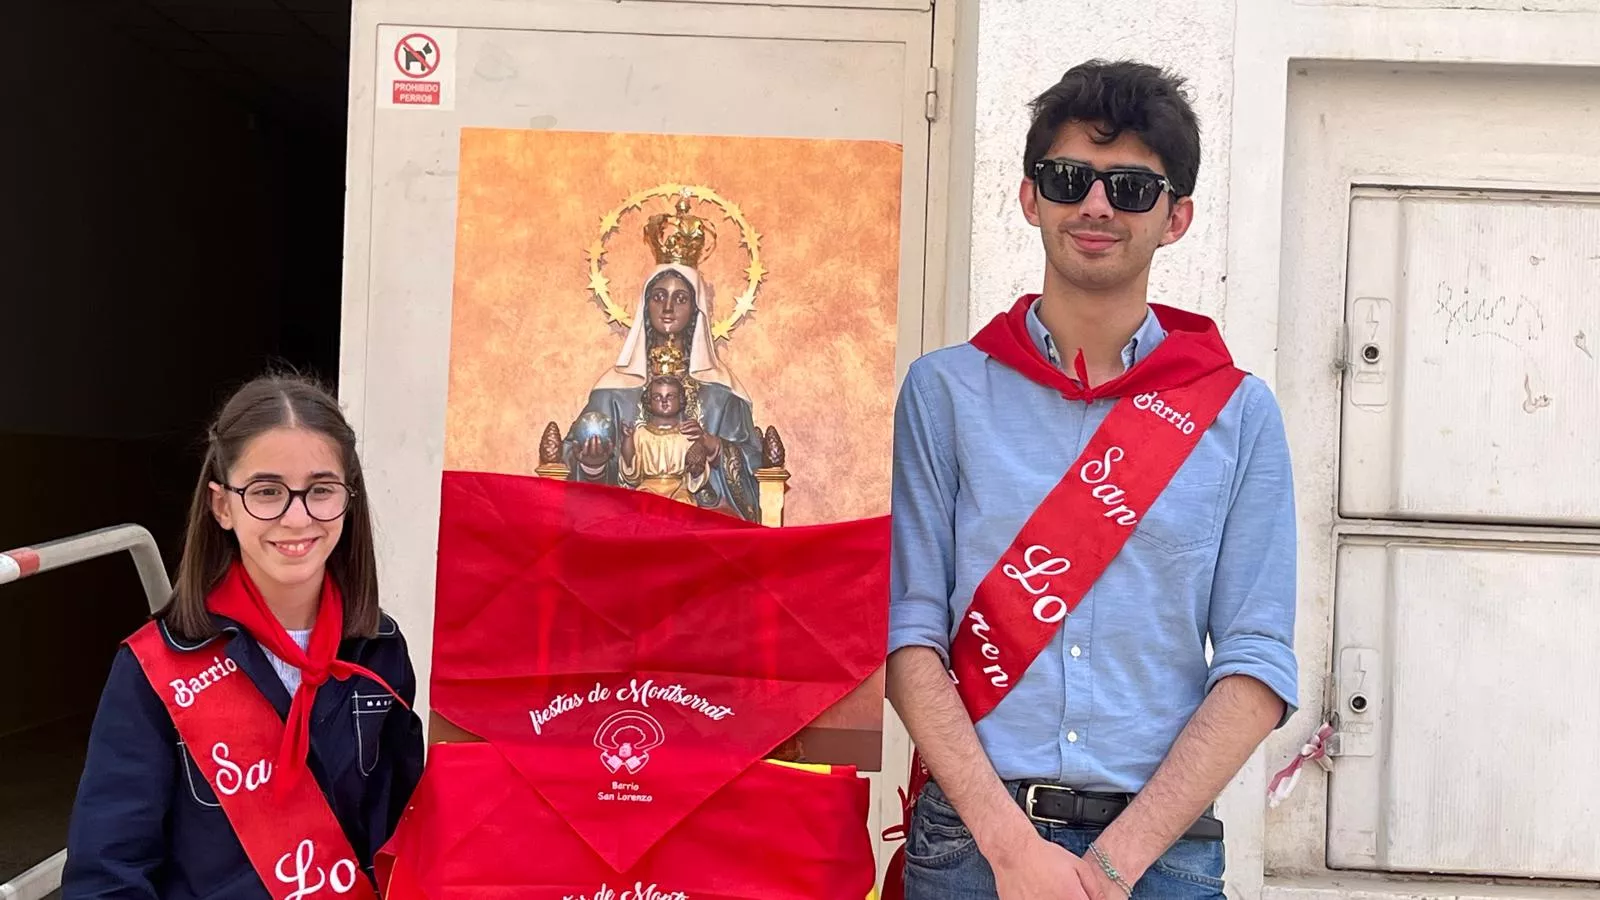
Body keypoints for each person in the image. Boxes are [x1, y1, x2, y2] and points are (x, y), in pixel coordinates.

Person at [885, 60, 1298, 900]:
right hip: (972, 848)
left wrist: (1113, 868)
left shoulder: (1237, 414)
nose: (1098, 206)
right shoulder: (944, 395)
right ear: (1033, 198)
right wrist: (1012, 852)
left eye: (1133, 189)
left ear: (1176, 217)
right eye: (1070, 179)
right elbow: (908, 637)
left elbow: (1257, 668)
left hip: (1163, 859)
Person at [62, 374, 425, 900]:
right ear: (222, 505)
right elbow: (107, 874)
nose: (296, 517)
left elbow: (404, 838)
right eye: (267, 491)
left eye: (321, 490)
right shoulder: (155, 668)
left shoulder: (380, 650)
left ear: (349, 500)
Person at [563, 261, 764, 523]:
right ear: (646, 307)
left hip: (701, 522)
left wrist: (714, 447)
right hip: (629, 521)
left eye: (680, 298)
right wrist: (594, 464)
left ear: (695, 310)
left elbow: (757, 466)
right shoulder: (612, 389)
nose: (668, 308)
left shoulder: (722, 393)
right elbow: (571, 459)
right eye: (659, 297)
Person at [619, 373, 712, 504]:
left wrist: (696, 466)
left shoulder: (687, 433)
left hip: (679, 488)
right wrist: (628, 440)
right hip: (648, 487)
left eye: (670, 396)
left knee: (683, 505)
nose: (664, 401)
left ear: (680, 400)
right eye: (657, 397)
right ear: (649, 402)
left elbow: (696, 468)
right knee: (641, 504)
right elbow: (631, 469)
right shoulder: (641, 434)